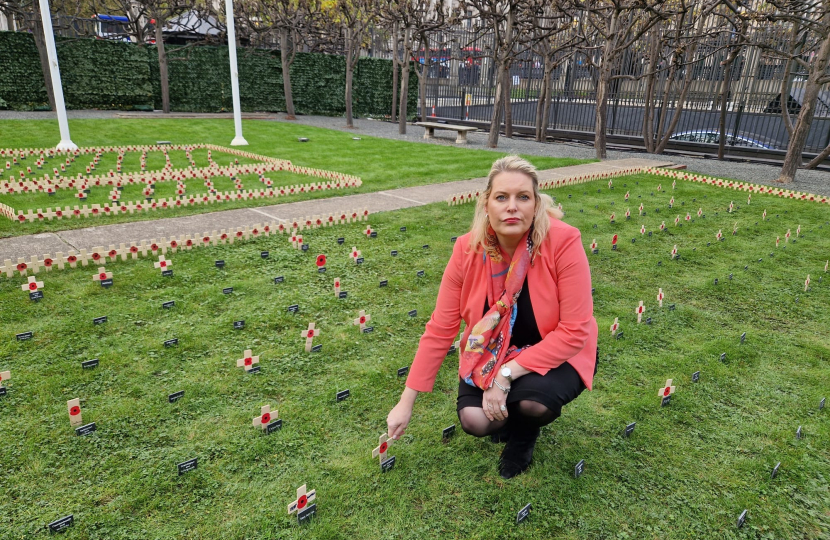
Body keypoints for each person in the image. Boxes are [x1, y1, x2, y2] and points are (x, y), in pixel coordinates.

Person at [386, 155, 598, 479]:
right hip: (490, 349)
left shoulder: (563, 242)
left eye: (522, 197)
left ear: (536, 204)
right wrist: (406, 401)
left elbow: (574, 331)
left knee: (533, 405)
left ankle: (524, 435)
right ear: (487, 204)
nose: (512, 206)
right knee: (476, 420)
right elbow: (441, 328)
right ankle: (508, 414)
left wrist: (505, 376)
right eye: (502, 197)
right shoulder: (466, 250)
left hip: (557, 352)